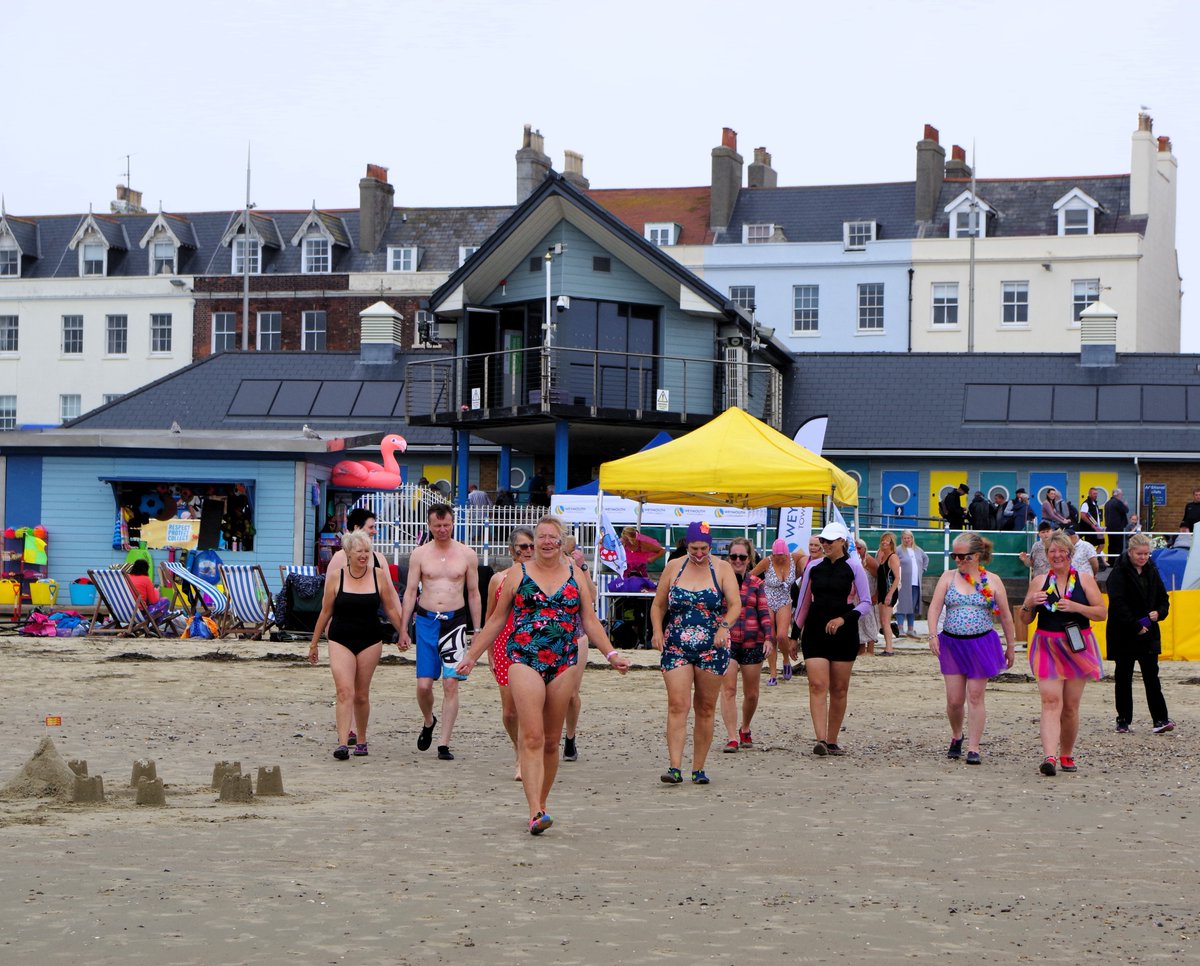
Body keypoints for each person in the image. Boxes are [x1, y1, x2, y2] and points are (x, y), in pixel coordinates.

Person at [456, 515, 629, 835]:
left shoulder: (575, 574)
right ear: (533, 543)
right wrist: (471, 655)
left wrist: (611, 653)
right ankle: (534, 810)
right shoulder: (517, 574)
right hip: (523, 657)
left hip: (564, 660)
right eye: (541, 537)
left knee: (551, 741)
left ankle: (543, 803)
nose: (547, 542)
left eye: (553, 537)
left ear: (562, 542)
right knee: (532, 735)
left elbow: (589, 620)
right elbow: (495, 620)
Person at [650, 520, 741, 785]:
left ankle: (698, 768)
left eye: (703, 548)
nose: (699, 554)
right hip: (676, 644)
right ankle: (675, 766)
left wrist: (724, 627)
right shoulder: (674, 567)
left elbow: (734, 605)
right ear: (686, 545)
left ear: (710, 545)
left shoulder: (722, 569)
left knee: (705, 706)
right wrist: (657, 631)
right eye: (694, 548)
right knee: (678, 704)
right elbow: (658, 605)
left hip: (712, 647)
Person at [308, 530, 407, 759]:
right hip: (340, 638)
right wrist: (314, 644)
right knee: (344, 691)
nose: (363, 555)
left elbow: (391, 608)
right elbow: (325, 611)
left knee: (361, 694)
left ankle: (361, 738)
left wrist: (403, 632)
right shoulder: (336, 577)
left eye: (367, 551)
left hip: (370, 639)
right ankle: (343, 743)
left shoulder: (378, 575)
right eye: (359, 551)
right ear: (348, 553)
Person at [1019, 531, 1107, 777]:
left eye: (1061, 551)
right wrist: (1030, 604)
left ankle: (1066, 752)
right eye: (1052, 552)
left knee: (1069, 706)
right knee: (1050, 701)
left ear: (1070, 554)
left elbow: (1101, 613)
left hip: (1078, 645)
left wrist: (1076, 607)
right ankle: (1049, 757)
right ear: (1046, 555)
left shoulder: (1085, 579)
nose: (1057, 556)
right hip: (1047, 645)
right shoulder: (1038, 580)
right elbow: (1024, 620)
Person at [399, 504, 482, 762]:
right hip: (426, 621)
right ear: (430, 525)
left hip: (454, 622)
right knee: (424, 685)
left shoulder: (467, 554)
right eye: (437, 526)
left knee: (450, 682)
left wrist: (477, 630)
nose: (443, 530)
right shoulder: (420, 554)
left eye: (447, 525)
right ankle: (428, 720)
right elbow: (411, 591)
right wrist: (403, 628)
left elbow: (473, 593)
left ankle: (444, 743)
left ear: (453, 524)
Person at [924, 533, 1017, 765]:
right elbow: (934, 608)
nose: (958, 560)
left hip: (981, 643)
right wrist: (933, 635)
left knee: (975, 696)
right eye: (954, 555)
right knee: (954, 700)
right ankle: (957, 735)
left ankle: (974, 747)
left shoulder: (992, 580)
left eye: (962, 556)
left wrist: (1011, 646)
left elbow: (1006, 616)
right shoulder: (948, 577)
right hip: (952, 643)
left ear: (976, 556)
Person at [794, 522, 873, 756]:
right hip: (816, 629)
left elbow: (867, 603)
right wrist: (793, 635)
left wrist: (843, 619)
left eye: (830, 541)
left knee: (839, 688)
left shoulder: (854, 567)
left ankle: (832, 739)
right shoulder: (813, 567)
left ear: (842, 542)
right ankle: (819, 738)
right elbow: (803, 603)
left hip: (844, 632)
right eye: (823, 541)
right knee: (817, 684)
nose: (825, 545)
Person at [1105, 533, 1174, 734]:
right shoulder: (1118, 572)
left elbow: (1163, 598)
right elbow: (1118, 604)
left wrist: (1159, 614)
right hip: (1124, 634)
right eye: (1140, 554)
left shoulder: (1152, 569)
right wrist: (1135, 625)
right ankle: (1123, 719)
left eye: (1147, 554)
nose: (1143, 557)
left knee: (1152, 676)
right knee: (1123, 677)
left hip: (1149, 634)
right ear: (1130, 551)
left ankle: (1160, 719)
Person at [484, 527, 535, 780]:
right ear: (511, 550)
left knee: (530, 706)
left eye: (531, 546)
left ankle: (527, 755)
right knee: (510, 711)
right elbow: (491, 617)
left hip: (535, 643)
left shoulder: (543, 577)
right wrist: (489, 651)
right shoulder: (499, 579)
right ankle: (518, 748)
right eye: (522, 547)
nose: (527, 551)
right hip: (505, 643)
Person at [720, 538, 772, 752]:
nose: (738, 560)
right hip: (727, 641)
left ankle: (745, 727)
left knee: (751, 693)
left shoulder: (757, 584)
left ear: (749, 559)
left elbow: (764, 612)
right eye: (734, 557)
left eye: (742, 557)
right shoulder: (720, 583)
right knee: (728, 689)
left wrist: (769, 637)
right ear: (728, 558)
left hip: (753, 640)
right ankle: (732, 736)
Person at [750, 537, 803, 684]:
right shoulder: (767, 561)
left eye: (782, 556)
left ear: (787, 554)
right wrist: (760, 584)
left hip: (784, 601)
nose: (779, 559)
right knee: (770, 637)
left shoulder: (794, 558)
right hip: (767, 600)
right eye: (776, 556)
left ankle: (786, 660)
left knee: (781, 635)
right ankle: (773, 673)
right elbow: (750, 576)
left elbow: (809, 558)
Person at [560, 534, 594, 762]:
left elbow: (591, 596)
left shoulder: (575, 567)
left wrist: (583, 568)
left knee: (571, 694)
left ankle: (570, 737)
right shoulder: (537, 567)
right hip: (546, 633)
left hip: (576, 632)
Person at [326, 507, 390, 574]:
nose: (375, 531)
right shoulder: (339, 558)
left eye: (374, 527)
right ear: (357, 528)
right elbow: (329, 584)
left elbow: (388, 584)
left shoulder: (380, 559)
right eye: (371, 527)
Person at [894, 530, 928, 638]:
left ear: (912, 538)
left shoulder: (918, 550)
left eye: (909, 538)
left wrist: (923, 569)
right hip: (903, 582)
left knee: (912, 606)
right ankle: (900, 628)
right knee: (901, 605)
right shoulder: (898, 550)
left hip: (915, 583)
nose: (907, 540)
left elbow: (926, 558)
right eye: (905, 538)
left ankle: (911, 629)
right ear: (902, 539)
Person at [875, 531, 902, 655]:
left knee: (886, 621)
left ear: (892, 543)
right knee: (883, 621)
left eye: (887, 540)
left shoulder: (893, 557)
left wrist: (890, 594)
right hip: (882, 591)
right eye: (883, 540)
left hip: (889, 591)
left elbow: (897, 578)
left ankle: (889, 648)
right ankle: (887, 647)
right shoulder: (882, 557)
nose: (884, 542)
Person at [853, 538, 881, 656]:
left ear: (864, 549)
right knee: (859, 623)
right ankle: (861, 650)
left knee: (870, 622)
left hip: (869, 595)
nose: (857, 551)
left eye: (859, 548)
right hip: (857, 597)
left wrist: (876, 595)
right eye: (855, 549)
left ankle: (870, 650)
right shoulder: (855, 560)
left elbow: (881, 579)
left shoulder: (869, 561)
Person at [1104, 488, 1131, 560]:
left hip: (1109, 527)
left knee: (1111, 545)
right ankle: (1117, 561)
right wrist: (1125, 505)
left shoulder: (1107, 503)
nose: (1121, 496)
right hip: (1118, 528)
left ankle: (1111, 561)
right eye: (1121, 494)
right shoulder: (1118, 503)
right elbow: (1126, 510)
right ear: (1118, 495)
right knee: (1118, 545)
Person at [1077, 487, 1105, 553]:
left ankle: (1094, 558)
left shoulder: (1095, 504)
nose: (1096, 495)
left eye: (1096, 493)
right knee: (1089, 546)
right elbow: (1083, 516)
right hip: (1089, 529)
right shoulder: (1086, 504)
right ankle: (1090, 559)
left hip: (1097, 528)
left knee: (1101, 544)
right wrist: (1091, 524)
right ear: (1089, 494)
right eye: (1094, 493)